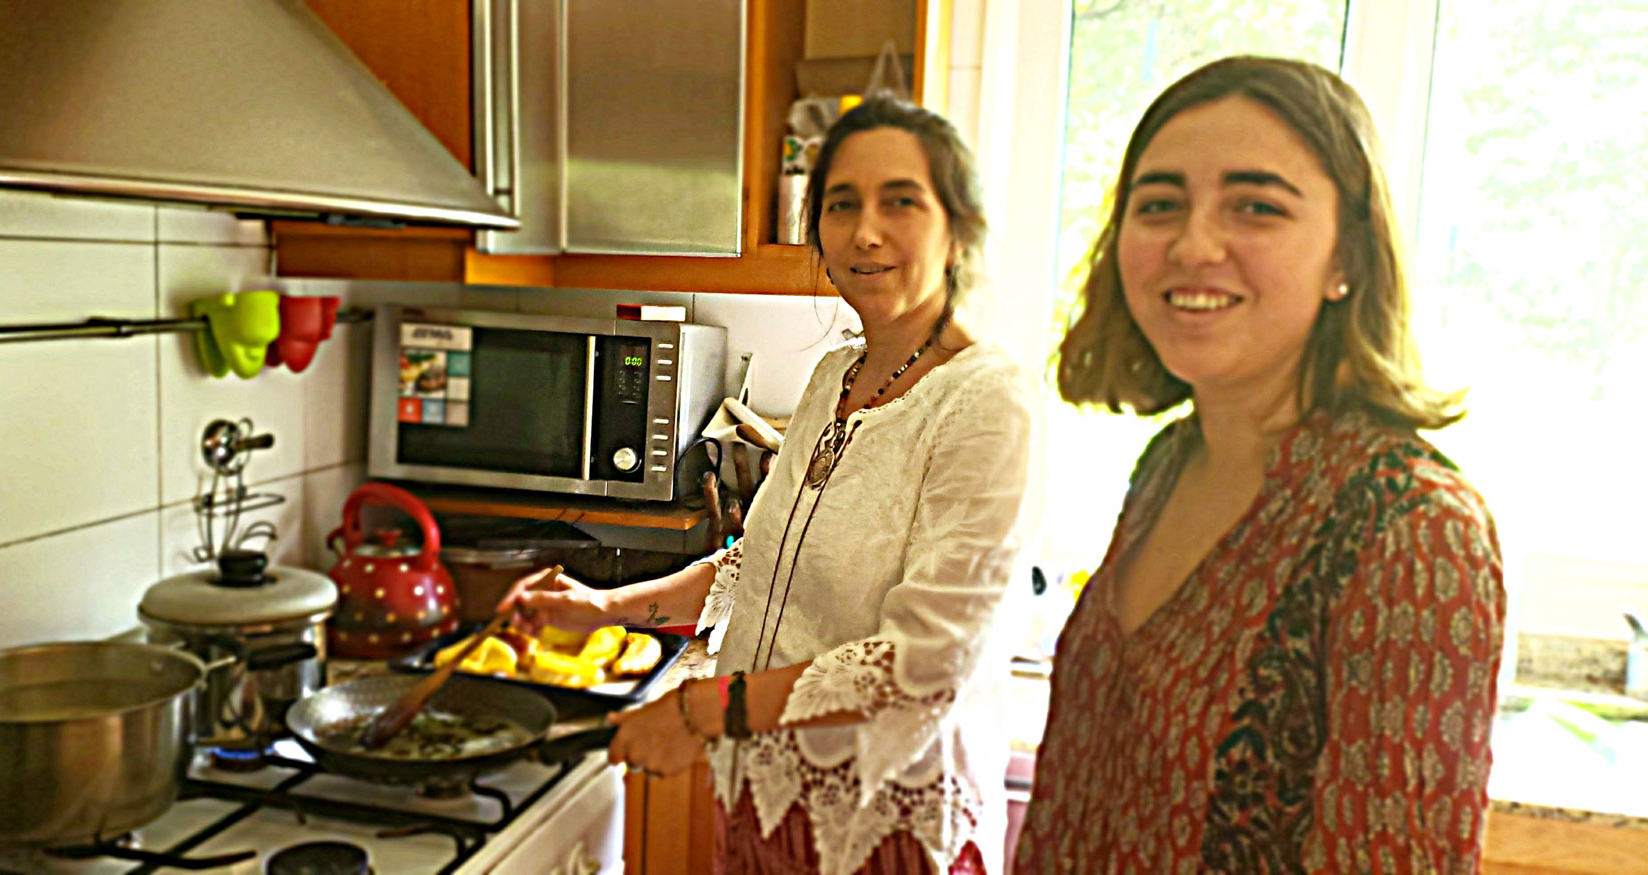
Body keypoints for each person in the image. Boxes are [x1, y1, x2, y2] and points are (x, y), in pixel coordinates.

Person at [502, 95, 1046, 875]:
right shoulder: (834, 376)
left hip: (882, 825)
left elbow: (927, 661)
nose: (864, 232)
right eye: (841, 203)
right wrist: (603, 607)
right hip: (762, 796)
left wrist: (700, 710)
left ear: (958, 228)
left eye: (899, 201)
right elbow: (753, 564)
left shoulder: (987, 400)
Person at [1014, 56, 1505, 873]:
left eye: (1256, 207)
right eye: (1159, 204)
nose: (1193, 244)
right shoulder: (1169, 464)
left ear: (1347, 257)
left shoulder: (1412, 529)